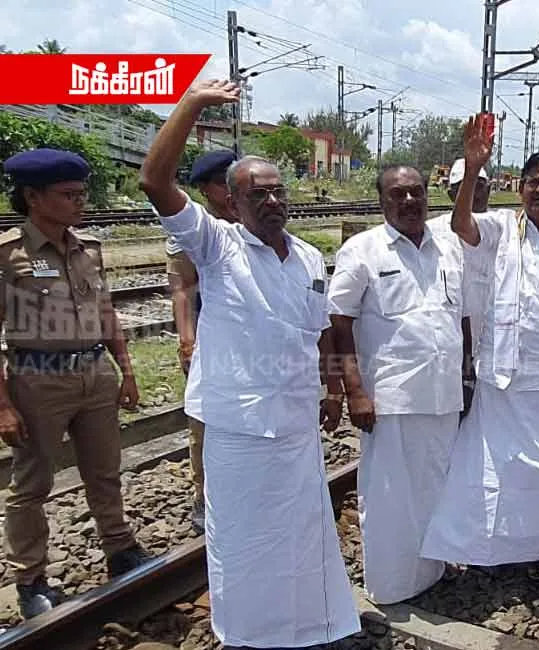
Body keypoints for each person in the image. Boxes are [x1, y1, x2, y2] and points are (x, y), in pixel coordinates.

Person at [138, 79, 360, 649]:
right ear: (231, 203)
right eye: (255, 194)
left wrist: (332, 390)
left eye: (277, 190)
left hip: (295, 423)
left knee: (299, 533)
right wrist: (191, 104)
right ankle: (243, 635)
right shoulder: (216, 246)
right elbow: (153, 181)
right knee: (240, 538)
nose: (270, 200)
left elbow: (317, 334)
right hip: (239, 426)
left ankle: (306, 629)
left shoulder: (309, 257)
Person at [421, 115, 539, 581]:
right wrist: (472, 163)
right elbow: (462, 224)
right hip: (501, 380)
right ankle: (486, 550)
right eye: (533, 183)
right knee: (490, 469)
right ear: (521, 189)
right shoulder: (503, 229)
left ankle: (538, 549)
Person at [0, 148, 152, 619]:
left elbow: (106, 314)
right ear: (33, 197)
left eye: (82, 193)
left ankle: (120, 548)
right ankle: (29, 578)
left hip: (94, 373)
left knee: (104, 469)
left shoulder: (88, 248)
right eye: (69, 194)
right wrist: (3, 405)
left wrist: (125, 371)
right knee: (32, 484)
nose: (80, 202)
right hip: (37, 380)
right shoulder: (9, 256)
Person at [328, 163, 469, 604]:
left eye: (416, 192)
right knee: (388, 495)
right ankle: (391, 585)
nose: (409, 201)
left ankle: (430, 570)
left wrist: (466, 376)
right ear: (382, 200)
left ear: (428, 196)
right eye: (398, 194)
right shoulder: (363, 250)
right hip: (390, 397)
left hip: (442, 394)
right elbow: (338, 322)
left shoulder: (447, 248)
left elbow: (459, 317)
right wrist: (354, 390)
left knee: (435, 487)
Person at [166, 148, 239, 535]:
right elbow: (181, 289)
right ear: (207, 190)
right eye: (223, 184)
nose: (231, 191)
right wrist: (187, 341)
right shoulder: (194, 230)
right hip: (210, 342)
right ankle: (203, 495)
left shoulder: (252, 220)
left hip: (245, 342)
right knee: (205, 421)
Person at [429, 157, 490, 358]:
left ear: (489, 190)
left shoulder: (506, 231)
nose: (472, 193)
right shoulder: (431, 233)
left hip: (494, 349)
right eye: (463, 186)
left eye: (478, 186)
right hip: (446, 353)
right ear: (451, 194)